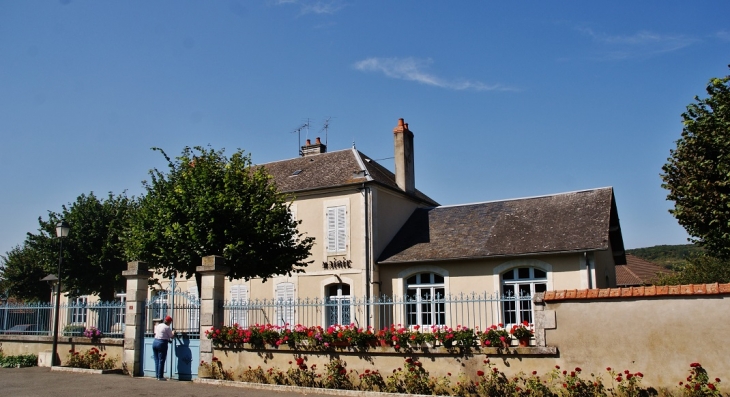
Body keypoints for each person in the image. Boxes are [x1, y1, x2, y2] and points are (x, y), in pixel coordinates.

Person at [152, 315, 175, 380]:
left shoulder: (159, 325)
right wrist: (173, 332)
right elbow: (171, 336)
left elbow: (156, 333)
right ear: (169, 322)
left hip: (155, 342)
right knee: (161, 360)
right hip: (162, 343)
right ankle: (160, 376)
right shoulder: (167, 328)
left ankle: (157, 375)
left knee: (156, 360)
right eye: (170, 322)